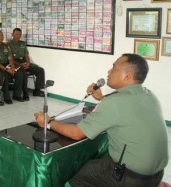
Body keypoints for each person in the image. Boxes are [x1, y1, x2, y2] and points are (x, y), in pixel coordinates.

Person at [34, 54, 168, 187]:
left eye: (114, 67)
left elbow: (77, 133)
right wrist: (102, 98)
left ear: (127, 76)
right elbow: (125, 111)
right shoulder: (149, 95)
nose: (109, 71)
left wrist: (48, 122)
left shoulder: (115, 102)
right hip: (156, 174)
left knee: (75, 172)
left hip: (130, 177)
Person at [0, 30, 27, 103]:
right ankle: (6, 97)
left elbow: (10, 59)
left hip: (7, 65)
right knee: (5, 75)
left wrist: (12, 68)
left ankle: (17, 95)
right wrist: (7, 70)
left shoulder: (6, 46)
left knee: (20, 73)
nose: (1, 37)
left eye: (2, 35)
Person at [10, 28, 45, 97]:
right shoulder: (8, 44)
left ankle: (37, 91)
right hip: (15, 63)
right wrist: (20, 64)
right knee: (22, 73)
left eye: (20, 34)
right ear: (12, 34)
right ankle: (22, 92)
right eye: (16, 34)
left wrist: (28, 63)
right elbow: (10, 59)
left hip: (24, 62)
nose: (18, 36)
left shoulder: (22, 44)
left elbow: (26, 55)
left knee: (40, 70)